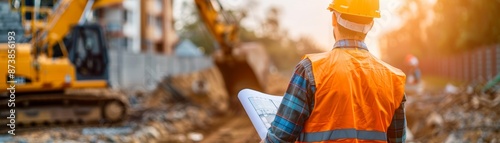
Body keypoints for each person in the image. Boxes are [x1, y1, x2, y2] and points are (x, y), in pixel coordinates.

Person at [262, 0, 407, 142]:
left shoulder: (309, 69)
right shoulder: (394, 79)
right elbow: (397, 139)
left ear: (334, 19)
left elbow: (278, 139)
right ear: (371, 25)